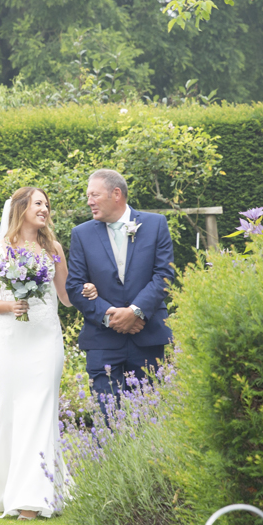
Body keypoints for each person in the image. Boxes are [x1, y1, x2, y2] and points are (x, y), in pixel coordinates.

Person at [0, 187, 73, 520]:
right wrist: (10, 305)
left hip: (46, 339)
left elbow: (65, 296)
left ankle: (33, 499)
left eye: (47, 203)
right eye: (38, 203)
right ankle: (12, 489)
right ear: (20, 208)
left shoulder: (54, 249)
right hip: (11, 341)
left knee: (40, 410)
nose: (45, 208)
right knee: (14, 412)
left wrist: (87, 291)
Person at [65, 169, 175, 421]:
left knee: (152, 420)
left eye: (94, 194)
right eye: (87, 196)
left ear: (116, 194)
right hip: (103, 341)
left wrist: (135, 312)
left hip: (149, 338)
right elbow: (75, 286)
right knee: (107, 421)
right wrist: (111, 317)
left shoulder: (156, 224)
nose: (89, 201)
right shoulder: (81, 234)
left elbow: (164, 276)